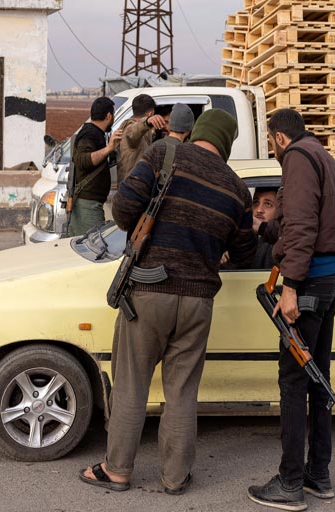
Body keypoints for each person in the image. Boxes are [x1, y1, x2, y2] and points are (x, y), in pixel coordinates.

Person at [79, 109, 257, 494]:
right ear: (227, 143)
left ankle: (117, 470)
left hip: (149, 292)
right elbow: (245, 252)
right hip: (198, 303)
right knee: (182, 393)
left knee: (131, 385)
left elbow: (123, 210)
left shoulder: (163, 153)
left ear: (197, 132)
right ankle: (175, 478)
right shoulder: (237, 190)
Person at [248, 109, 335, 511]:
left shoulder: (296, 158)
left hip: (308, 284)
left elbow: (304, 226)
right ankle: (317, 475)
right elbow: (303, 223)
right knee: (316, 376)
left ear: (278, 137)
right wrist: (264, 230)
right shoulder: (322, 155)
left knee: (293, 381)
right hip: (330, 278)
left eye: (270, 142)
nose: (272, 150)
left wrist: (289, 286)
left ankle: (290, 483)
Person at [68, 96, 123, 237]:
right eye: (113, 115)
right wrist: (108, 148)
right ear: (109, 116)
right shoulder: (90, 134)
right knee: (91, 244)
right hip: (87, 206)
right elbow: (82, 160)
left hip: (90, 204)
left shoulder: (95, 133)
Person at [116, 94, 165, 183]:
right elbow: (133, 132)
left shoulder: (143, 132)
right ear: (150, 113)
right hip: (131, 186)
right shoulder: (129, 128)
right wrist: (147, 122)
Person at [251, 187, 279, 269]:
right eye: (256, 202)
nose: (259, 210)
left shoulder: (278, 243)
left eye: (268, 204)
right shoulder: (242, 237)